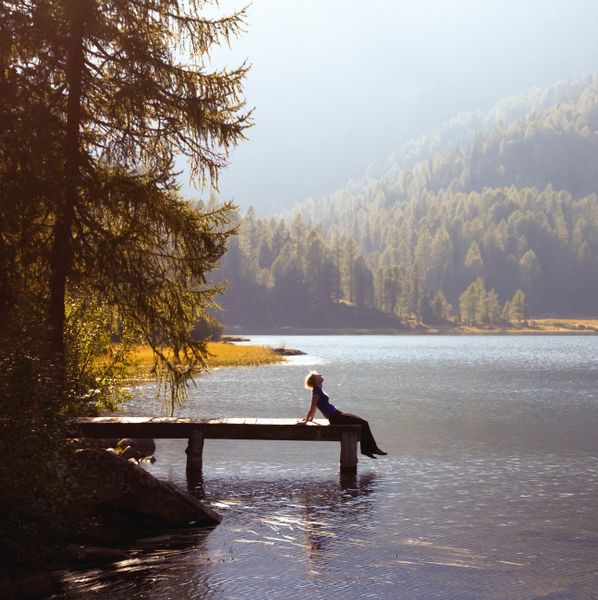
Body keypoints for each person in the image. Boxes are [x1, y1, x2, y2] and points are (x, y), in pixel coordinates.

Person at [298, 370, 387, 459]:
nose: (320, 374)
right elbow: (313, 406)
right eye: (317, 375)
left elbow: (316, 406)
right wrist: (306, 421)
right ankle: (371, 449)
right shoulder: (316, 391)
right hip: (335, 418)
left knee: (363, 422)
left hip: (337, 414)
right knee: (363, 423)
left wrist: (311, 419)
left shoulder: (318, 389)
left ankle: (368, 449)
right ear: (315, 380)